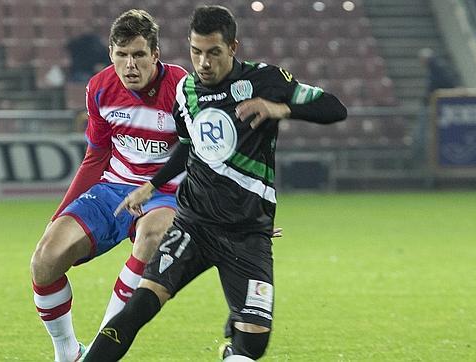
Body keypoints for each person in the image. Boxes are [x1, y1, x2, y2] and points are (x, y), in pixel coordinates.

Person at [83, 5, 347, 361]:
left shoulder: (265, 80)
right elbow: (188, 147)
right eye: (196, 52)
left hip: (246, 233)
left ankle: (234, 346)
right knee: (139, 307)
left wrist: (279, 109)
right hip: (194, 224)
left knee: (252, 345)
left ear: (233, 47)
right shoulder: (186, 91)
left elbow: (334, 107)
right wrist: (152, 185)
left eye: (213, 52)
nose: (203, 62)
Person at [30, 10, 188, 362]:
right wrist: (59, 216)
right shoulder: (100, 88)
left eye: (138, 55)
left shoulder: (181, 88)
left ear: (155, 54)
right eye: (121, 55)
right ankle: (67, 352)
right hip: (113, 188)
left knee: (152, 234)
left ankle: (99, 355)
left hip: (164, 192)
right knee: (45, 259)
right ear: (111, 55)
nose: (130, 65)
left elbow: (204, 154)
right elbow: (96, 154)